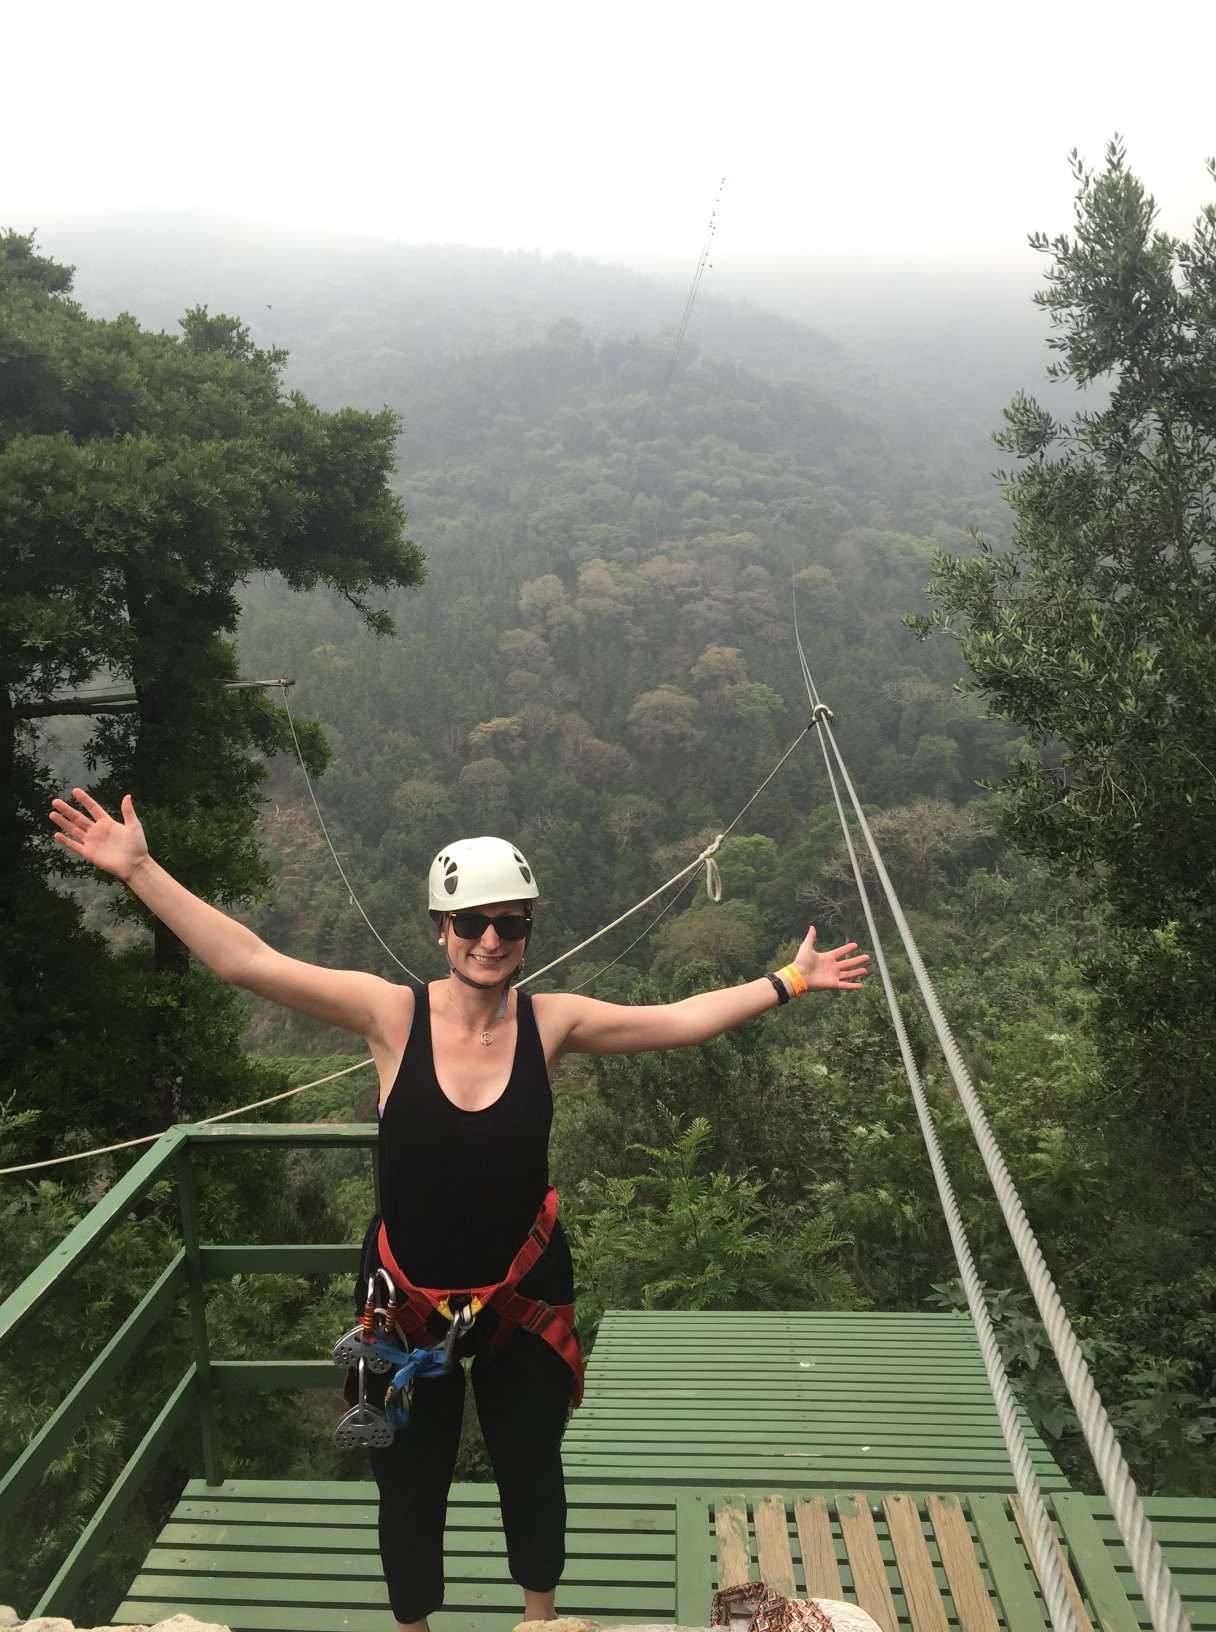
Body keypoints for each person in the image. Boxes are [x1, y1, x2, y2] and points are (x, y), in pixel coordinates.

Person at [49, 790, 869, 1632]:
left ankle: (539, 1621)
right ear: (440, 928)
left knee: (532, 1467)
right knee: (409, 1481)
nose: (489, 941)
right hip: (401, 1299)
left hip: (526, 1293)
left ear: (527, 933)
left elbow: (681, 1021)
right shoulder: (388, 1015)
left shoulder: (552, 1024)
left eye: (509, 926)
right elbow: (248, 961)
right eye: (470, 922)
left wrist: (790, 980)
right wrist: (140, 869)